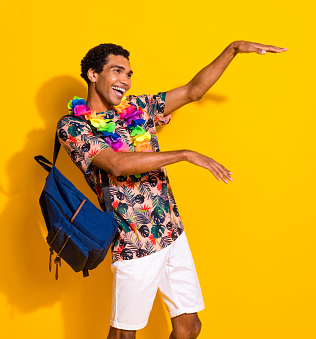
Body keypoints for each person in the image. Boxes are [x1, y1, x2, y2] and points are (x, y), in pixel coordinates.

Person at [57, 41, 287, 339]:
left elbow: (193, 91)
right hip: (134, 241)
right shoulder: (74, 126)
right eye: (117, 71)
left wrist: (232, 49)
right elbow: (115, 163)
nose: (125, 80)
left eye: (129, 73)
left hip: (171, 231)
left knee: (189, 327)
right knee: (124, 335)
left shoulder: (138, 108)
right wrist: (184, 154)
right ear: (92, 74)